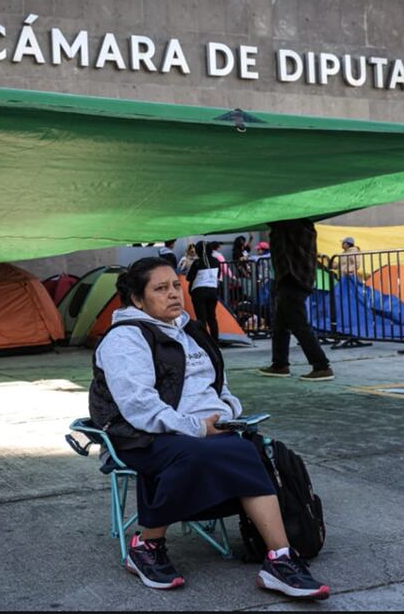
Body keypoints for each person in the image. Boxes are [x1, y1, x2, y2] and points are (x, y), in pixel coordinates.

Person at [90, 256, 331, 599]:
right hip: (140, 435)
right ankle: (147, 546)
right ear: (137, 300)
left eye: (176, 285)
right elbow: (139, 407)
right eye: (161, 289)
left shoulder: (192, 331)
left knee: (246, 447)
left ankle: (280, 558)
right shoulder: (125, 339)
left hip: (205, 432)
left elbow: (221, 386)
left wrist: (228, 413)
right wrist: (197, 427)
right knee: (199, 453)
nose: (174, 294)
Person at [257, 218, 334, 381]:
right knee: (280, 326)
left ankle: (321, 366)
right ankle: (279, 365)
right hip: (292, 279)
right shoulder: (302, 228)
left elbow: (278, 224)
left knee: (299, 325)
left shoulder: (293, 227)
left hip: (293, 279)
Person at [186, 241, 220, 341]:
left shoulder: (197, 262)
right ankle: (215, 341)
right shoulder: (216, 261)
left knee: (201, 318)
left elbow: (189, 278)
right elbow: (218, 275)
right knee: (212, 317)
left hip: (198, 292)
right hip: (213, 291)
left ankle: (205, 341)